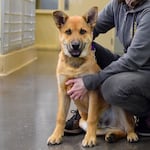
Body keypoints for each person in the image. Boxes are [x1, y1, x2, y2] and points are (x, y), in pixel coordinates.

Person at [64, 0, 150, 136]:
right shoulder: (118, 4)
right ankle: (84, 113)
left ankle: (145, 114)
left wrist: (90, 81)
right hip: (130, 64)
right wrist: (71, 44)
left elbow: (133, 59)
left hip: (145, 70)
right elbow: (91, 29)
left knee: (110, 88)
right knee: (82, 50)